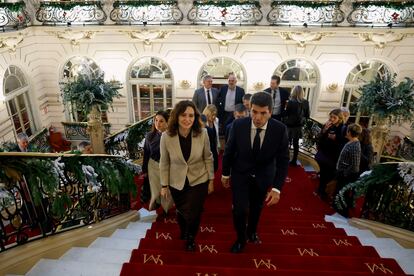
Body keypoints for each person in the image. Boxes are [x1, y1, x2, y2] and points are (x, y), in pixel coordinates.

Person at [221, 92, 289, 253]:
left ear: (270, 112)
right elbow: (229, 151)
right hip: (240, 174)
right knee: (239, 209)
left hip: (264, 176)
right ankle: (240, 239)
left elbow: (283, 160)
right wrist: (225, 173)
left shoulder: (280, 130)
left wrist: (277, 188)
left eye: (263, 113)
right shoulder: (238, 125)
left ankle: (252, 231)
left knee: (257, 207)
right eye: (254, 112)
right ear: (249, 109)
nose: (258, 117)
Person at [160, 100, 214, 252]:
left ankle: (191, 238)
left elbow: (208, 157)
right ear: (176, 116)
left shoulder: (202, 133)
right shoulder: (166, 136)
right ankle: (184, 230)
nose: (187, 119)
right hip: (176, 181)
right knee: (182, 211)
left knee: (194, 212)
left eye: (191, 116)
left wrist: (211, 180)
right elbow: (164, 162)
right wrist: (164, 185)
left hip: (199, 179)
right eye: (184, 115)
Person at [142, 110, 173, 213]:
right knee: (155, 191)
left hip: (168, 167)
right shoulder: (149, 136)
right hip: (153, 166)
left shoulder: (172, 137)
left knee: (166, 190)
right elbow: (146, 153)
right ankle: (154, 206)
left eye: (161, 121)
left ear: (167, 123)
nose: (157, 124)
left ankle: (165, 209)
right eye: (156, 120)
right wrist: (145, 170)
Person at [315, 108, 347, 199]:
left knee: (329, 175)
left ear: (340, 118)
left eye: (334, 117)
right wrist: (324, 130)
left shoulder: (343, 129)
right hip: (324, 154)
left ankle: (325, 193)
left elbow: (344, 143)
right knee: (323, 173)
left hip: (333, 157)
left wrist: (335, 138)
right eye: (331, 117)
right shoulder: (329, 125)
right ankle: (321, 190)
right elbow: (321, 139)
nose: (332, 119)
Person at [283, 85, 310, 166]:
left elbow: (286, 113)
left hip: (290, 125)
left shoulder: (290, 102)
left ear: (293, 92)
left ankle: (285, 159)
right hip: (299, 126)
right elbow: (307, 115)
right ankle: (294, 160)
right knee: (296, 144)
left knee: (287, 143)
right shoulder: (306, 102)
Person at [335, 123, 362, 195]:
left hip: (346, 176)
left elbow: (355, 166)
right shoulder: (351, 142)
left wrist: (344, 174)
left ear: (349, 132)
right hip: (342, 173)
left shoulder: (355, 146)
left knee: (341, 194)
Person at [202, 105, 220, 172]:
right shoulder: (202, 121)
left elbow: (216, 135)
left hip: (213, 147)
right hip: (205, 148)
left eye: (215, 114)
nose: (214, 117)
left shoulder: (216, 120)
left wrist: (218, 146)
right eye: (212, 115)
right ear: (207, 114)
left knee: (215, 167)